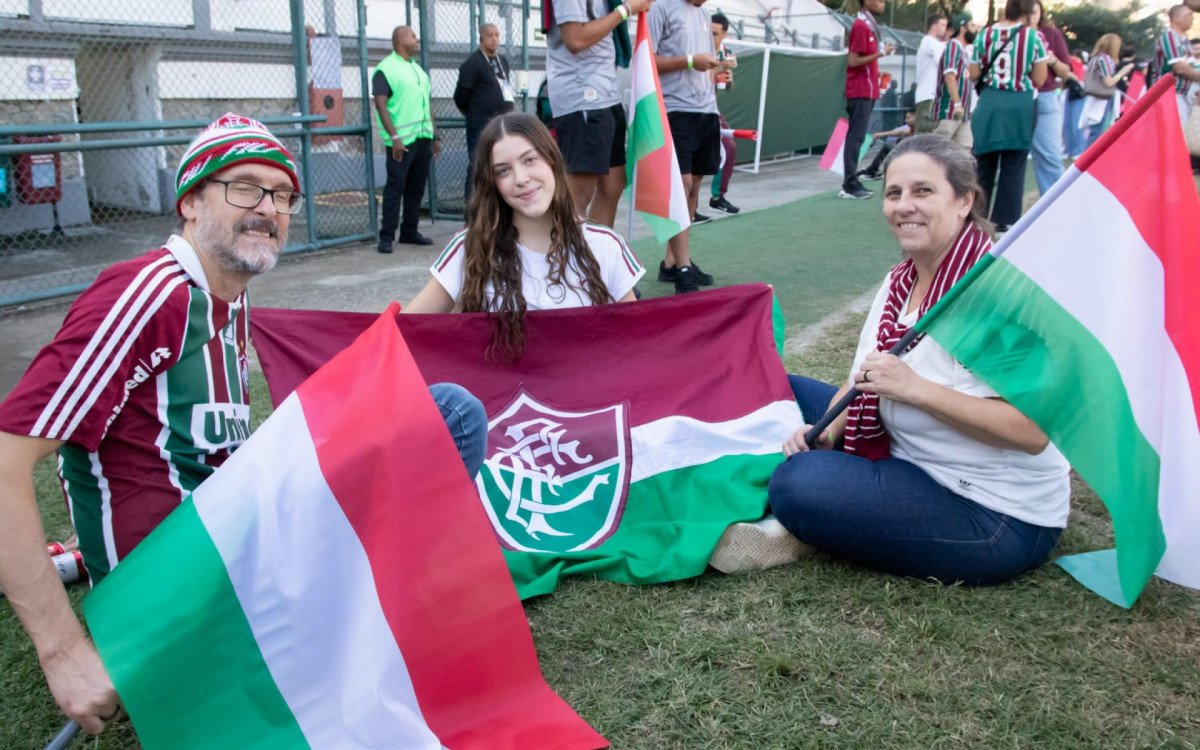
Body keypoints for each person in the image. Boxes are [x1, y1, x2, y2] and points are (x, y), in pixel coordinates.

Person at [0, 115, 487, 736]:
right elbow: (6, 459)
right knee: (451, 416)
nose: (267, 209)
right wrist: (64, 652)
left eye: (282, 195)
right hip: (179, 599)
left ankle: (359, 608)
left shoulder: (230, 294)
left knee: (435, 415)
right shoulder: (150, 293)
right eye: (244, 188)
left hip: (231, 548)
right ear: (190, 202)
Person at [764, 134, 1069, 586]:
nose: (904, 206)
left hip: (991, 511)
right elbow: (864, 377)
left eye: (923, 191)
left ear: (964, 201)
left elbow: (1032, 432)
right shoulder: (900, 280)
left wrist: (916, 390)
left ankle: (809, 507)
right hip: (907, 454)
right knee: (777, 388)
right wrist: (828, 430)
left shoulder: (997, 295)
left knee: (799, 485)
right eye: (894, 193)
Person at [404, 113, 643, 358]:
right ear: (492, 183)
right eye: (503, 171)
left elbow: (638, 344)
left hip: (586, 382)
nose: (521, 179)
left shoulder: (604, 245)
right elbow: (401, 333)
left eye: (530, 160)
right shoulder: (470, 246)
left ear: (551, 159)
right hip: (498, 383)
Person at [547, 0, 655, 227]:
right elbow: (575, 39)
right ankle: (563, 248)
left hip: (606, 93)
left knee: (613, 183)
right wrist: (626, 9)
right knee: (579, 192)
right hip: (583, 96)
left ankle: (597, 246)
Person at [649, 0, 722, 294]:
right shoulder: (660, 8)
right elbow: (647, 60)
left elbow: (708, 63)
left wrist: (716, 71)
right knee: (681, 186)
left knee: (694, 186)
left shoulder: (704, 13)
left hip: (706, 110)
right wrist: (690, 61)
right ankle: (682, 268)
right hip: (675, 109)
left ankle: (674, 262)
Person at [969, 0, 1048, 233]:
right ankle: (1004, 222)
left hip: (990, 104)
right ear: (1027, 12)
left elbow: (974, 73)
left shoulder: (985, 35)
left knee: (984, 163)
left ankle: (976, 218)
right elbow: (1040, 79)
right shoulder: (1034, 37)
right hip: (1020, 105)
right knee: (1014, 165)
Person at [373, 26, 441, 252]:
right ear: (401, 39)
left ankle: (409, 231)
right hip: (401, 142)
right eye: (413, 36)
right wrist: (394, 137)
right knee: (395, 187)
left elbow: (426, 105)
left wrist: (435, 135)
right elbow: (380, 104)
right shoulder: (386, 69)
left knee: (416, 188)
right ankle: (386, 236)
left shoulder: (418, 70)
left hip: (422, 138)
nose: (417, 39)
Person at [841, 0, 897, 200]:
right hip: (860, 90)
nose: (883, 4)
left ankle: (852, 181)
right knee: (855, 138)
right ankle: (849, 184)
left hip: (867, 90)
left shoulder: (868, 25)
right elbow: (852, 60)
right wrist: (880, 53)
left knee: (857, 137)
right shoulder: (861, 26)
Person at [454, 24, 516, 203]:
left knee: (503, 162)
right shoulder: (473, 63)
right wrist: (474, 112)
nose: (494, 39)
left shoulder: (502, 61)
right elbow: (460, 97)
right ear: (481, 38)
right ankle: (471, 209)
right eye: (490, 35)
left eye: (497, 35)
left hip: (503, 124)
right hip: (481, 125)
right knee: (478, 166)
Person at [1029, 0, 1082, 195]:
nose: (1030, 16)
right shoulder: (1009, 34)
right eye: (1026, 12)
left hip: (1045, 97)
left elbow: (1066, 71)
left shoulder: (1051, 34)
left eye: (1034, 11)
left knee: (1050, 157)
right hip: (1016, 98)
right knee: (1011, 160)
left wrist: (1051, 59)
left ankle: (1058, 204)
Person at [708, 12, 740, 216]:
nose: (710, 37)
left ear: (725, 34)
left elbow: (725, 86)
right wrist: (720, 68)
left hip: (710, 109)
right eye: (708, 32)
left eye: (715, 34)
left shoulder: (724, 52)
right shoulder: (698, 47)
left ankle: (717, 196)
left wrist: (728, 79)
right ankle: (690, 210)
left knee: (728, 147)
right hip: (689, 109)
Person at [1080, 34, 1135, 151]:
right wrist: (1122, 73)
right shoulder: (1105, 59)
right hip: (1102, 98)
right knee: (1097, 133)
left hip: (1094, 97)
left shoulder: (1094, 58)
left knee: (1095, 131)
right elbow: (1108, 82)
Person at [932, 12, 977, 149]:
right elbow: (949, 76)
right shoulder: (953, 47)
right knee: (940, 150)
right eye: (972, 25)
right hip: (949, 110)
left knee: (964, 151)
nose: (975, 29)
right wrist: (957, 103)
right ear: (963, 29)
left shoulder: (962, 51)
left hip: (962, 112)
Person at [1155, 5, 1200, 131]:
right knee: (1173, 133)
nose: (1192, 18)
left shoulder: (1184, 39)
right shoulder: (1169, 36)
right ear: (1176, 18)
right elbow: (1179, 68)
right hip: (1173, 95)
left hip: (1184, 96)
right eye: (1188, 15)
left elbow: (1191, 66)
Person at [914, 13, 948, 134]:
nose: (945, 29)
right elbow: (944, 61)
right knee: (924, 134)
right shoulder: (929, 41)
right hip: (928, 95)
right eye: (943, 25)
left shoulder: (935, 43)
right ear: (934, 26)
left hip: (930, 96)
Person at [857, 110, 915, 180]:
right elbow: (901, 132)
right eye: (906, 118)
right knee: (890, 145)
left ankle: (873, 171)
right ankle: (873, 170)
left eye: (908, 118)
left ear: (916, 117)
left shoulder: (921, 129)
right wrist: (878, 135)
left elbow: (903, 133)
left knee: (889, 146)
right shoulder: (913, 128)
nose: (906, 120)